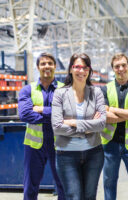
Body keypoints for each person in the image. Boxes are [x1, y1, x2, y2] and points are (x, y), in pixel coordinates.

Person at [51, 53, 106, 200]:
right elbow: (57, 127)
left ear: (89, 70)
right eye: (77, 67)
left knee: (89, 196)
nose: (81, 71)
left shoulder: (96, 92)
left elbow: (101, 123)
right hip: (66, 155)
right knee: (73, 196)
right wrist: (88, 128)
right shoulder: (60, 93)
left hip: (93, 153)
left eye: (84, 67)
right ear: (70, 69)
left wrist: (73, 123)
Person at [18, 53, 65, 200]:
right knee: (31, 186)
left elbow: (68, 113)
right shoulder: (28, 89)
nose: (47, 66)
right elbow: (25, 115)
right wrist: (54, 115)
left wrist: (42, 110)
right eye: (43, 63)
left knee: (63, 185)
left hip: (60, 143)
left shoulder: (65, 89)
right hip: (34, 145)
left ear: (55, 66)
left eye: (50, 63)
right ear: (38, 67)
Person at [101, 53, 128, 200]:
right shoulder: (105, 89)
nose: (121, 69)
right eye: (117, 66)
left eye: (123, 65)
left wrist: (113, 110)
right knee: (109, 181)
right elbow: (105, 116)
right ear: (113, 69)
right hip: (110, 144)